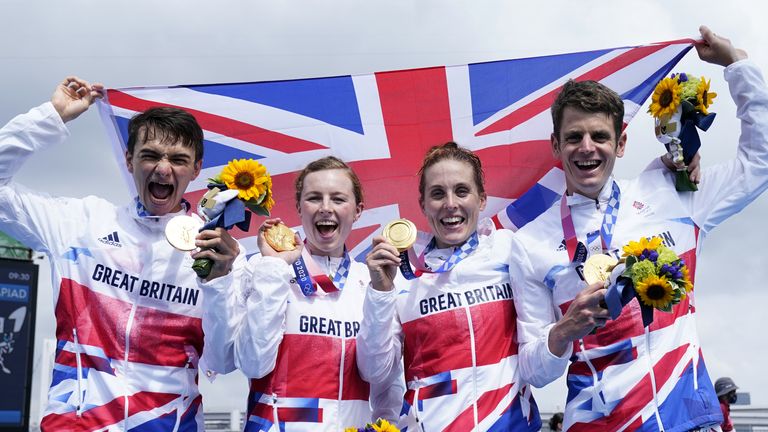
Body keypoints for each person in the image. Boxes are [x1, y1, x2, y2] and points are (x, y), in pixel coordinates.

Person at [510, 26, 767, 431]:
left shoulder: (674, 191)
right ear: (556, 146)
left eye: (600, 136)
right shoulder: (529, 244)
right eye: (574, 137)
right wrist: (563, 331)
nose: (587, 147)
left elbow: (760, 162)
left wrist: (737, 65)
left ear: (622, 143)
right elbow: (533, 371)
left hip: (688, 417)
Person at [0, 77, 242, 430]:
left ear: (196, 168)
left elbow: (222, 361)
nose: (163, 169)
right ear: (129, 160)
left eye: (178, 159)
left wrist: (219, 284)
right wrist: (52, 116)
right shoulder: (79, 223)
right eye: (150, 156)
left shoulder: (217, 254)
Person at [199, 156, 404, 431]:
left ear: (358, 210)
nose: (326, 208)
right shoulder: (265, 268)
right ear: (298, 207)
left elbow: (379, 375)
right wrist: (273, 267)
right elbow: (252, 364)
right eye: (314, 198)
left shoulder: (373, 282)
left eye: (339, 199)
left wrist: (380, 293)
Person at [358, 142, 542, 431]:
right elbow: (375, 371)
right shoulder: (403, 273)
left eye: (461, 190)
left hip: (510, 424)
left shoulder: (509, 251)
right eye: (437, 194)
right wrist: (380, 291)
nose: (450, 204)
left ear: (482, 199)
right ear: (422, 205)